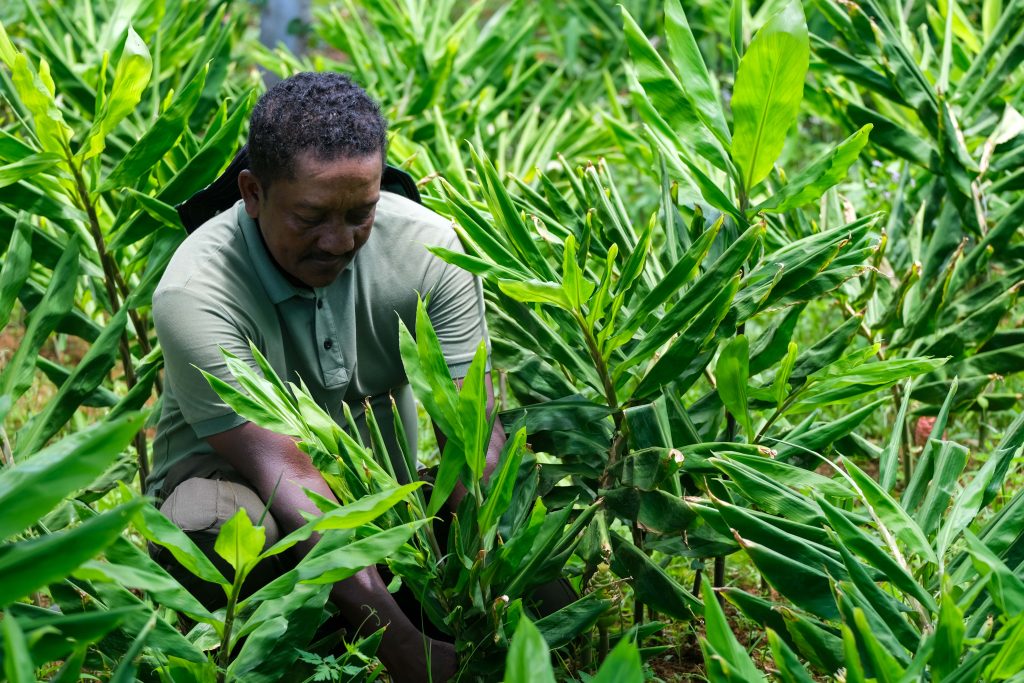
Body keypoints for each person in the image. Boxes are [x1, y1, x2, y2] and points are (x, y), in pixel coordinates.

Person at [146, 71, 505, 683]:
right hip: (260, 504)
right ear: (252, 192)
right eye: (310, 217)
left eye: (361, 213)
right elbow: (290, 476)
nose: (339, 242)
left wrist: (529, 616)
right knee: (224, 527)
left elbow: (476, 446)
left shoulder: (431, 250)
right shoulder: (196, 291)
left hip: (380, 512)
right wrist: (404, 651)